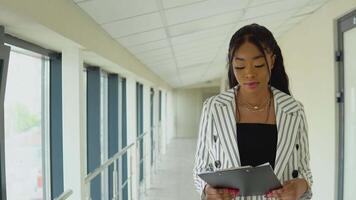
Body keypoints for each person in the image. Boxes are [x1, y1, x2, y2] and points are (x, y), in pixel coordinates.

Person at [193, 23, 313, 200]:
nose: (249, 74)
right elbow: (200, 169)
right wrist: (207, 190)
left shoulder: (294, 110)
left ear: (272, 60)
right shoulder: (213, 108)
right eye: (240, 66)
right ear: (231, 64)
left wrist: (301, 186)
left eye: (258, 64)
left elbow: (304, 170)